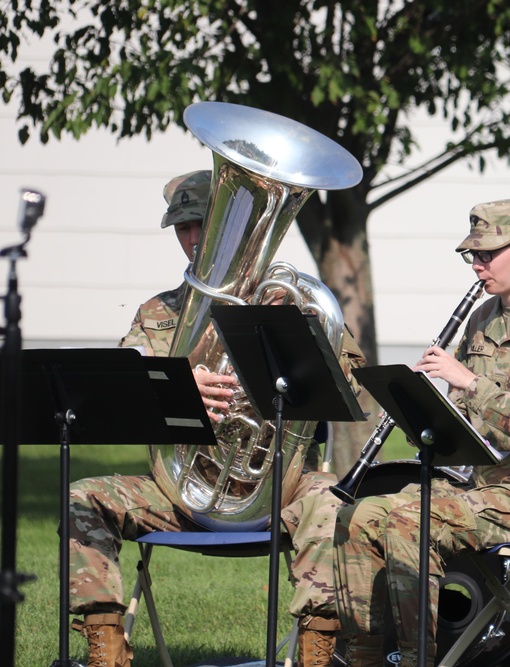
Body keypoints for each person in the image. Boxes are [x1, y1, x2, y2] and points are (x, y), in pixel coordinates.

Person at [68, 170, 365, 667]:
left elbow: (352, 391)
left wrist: (306, 350)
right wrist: (178, 388)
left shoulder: (285, 303)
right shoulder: (157, 313)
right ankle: (106, 649)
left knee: (330, 505)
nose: (191, 239)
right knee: (81, 497)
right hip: (179, 492)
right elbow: (114, 396)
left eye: (203, 225)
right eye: (182, 228)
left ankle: (316, 653)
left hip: (277, 489)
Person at [325, 198, 510, 667]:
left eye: (487, 254)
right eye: (472, 255)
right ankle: (364, 655)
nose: (477, 265)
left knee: (412, 521)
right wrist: (423, 411)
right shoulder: (483, 318)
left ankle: (417, 658)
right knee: (361, 516)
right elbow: (471, 424)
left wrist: (468, 381)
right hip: (484, 484)